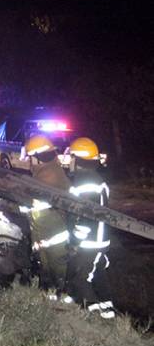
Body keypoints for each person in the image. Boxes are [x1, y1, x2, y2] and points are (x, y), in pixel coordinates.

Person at [65, 137, 115, 319]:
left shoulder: (84, 183)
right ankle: (108, 310)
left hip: (91, 241)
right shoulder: (96, 179)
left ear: (78, 159)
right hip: (100, 239)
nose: (69, 161)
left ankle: (93, 314)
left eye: (71, 156)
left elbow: (84, 218)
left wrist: (76, 242)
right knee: (99, 274)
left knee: (81, 277)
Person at [21, 135, 72, 296]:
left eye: (30, 158)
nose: (29, 162)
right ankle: (50, 291)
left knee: (57, 265)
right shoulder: (46, 171)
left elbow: (30, 198)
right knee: (48, 264)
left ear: (37, 157)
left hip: (53, 230)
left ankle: (63, 293)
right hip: (46, 230)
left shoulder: (48, 175)